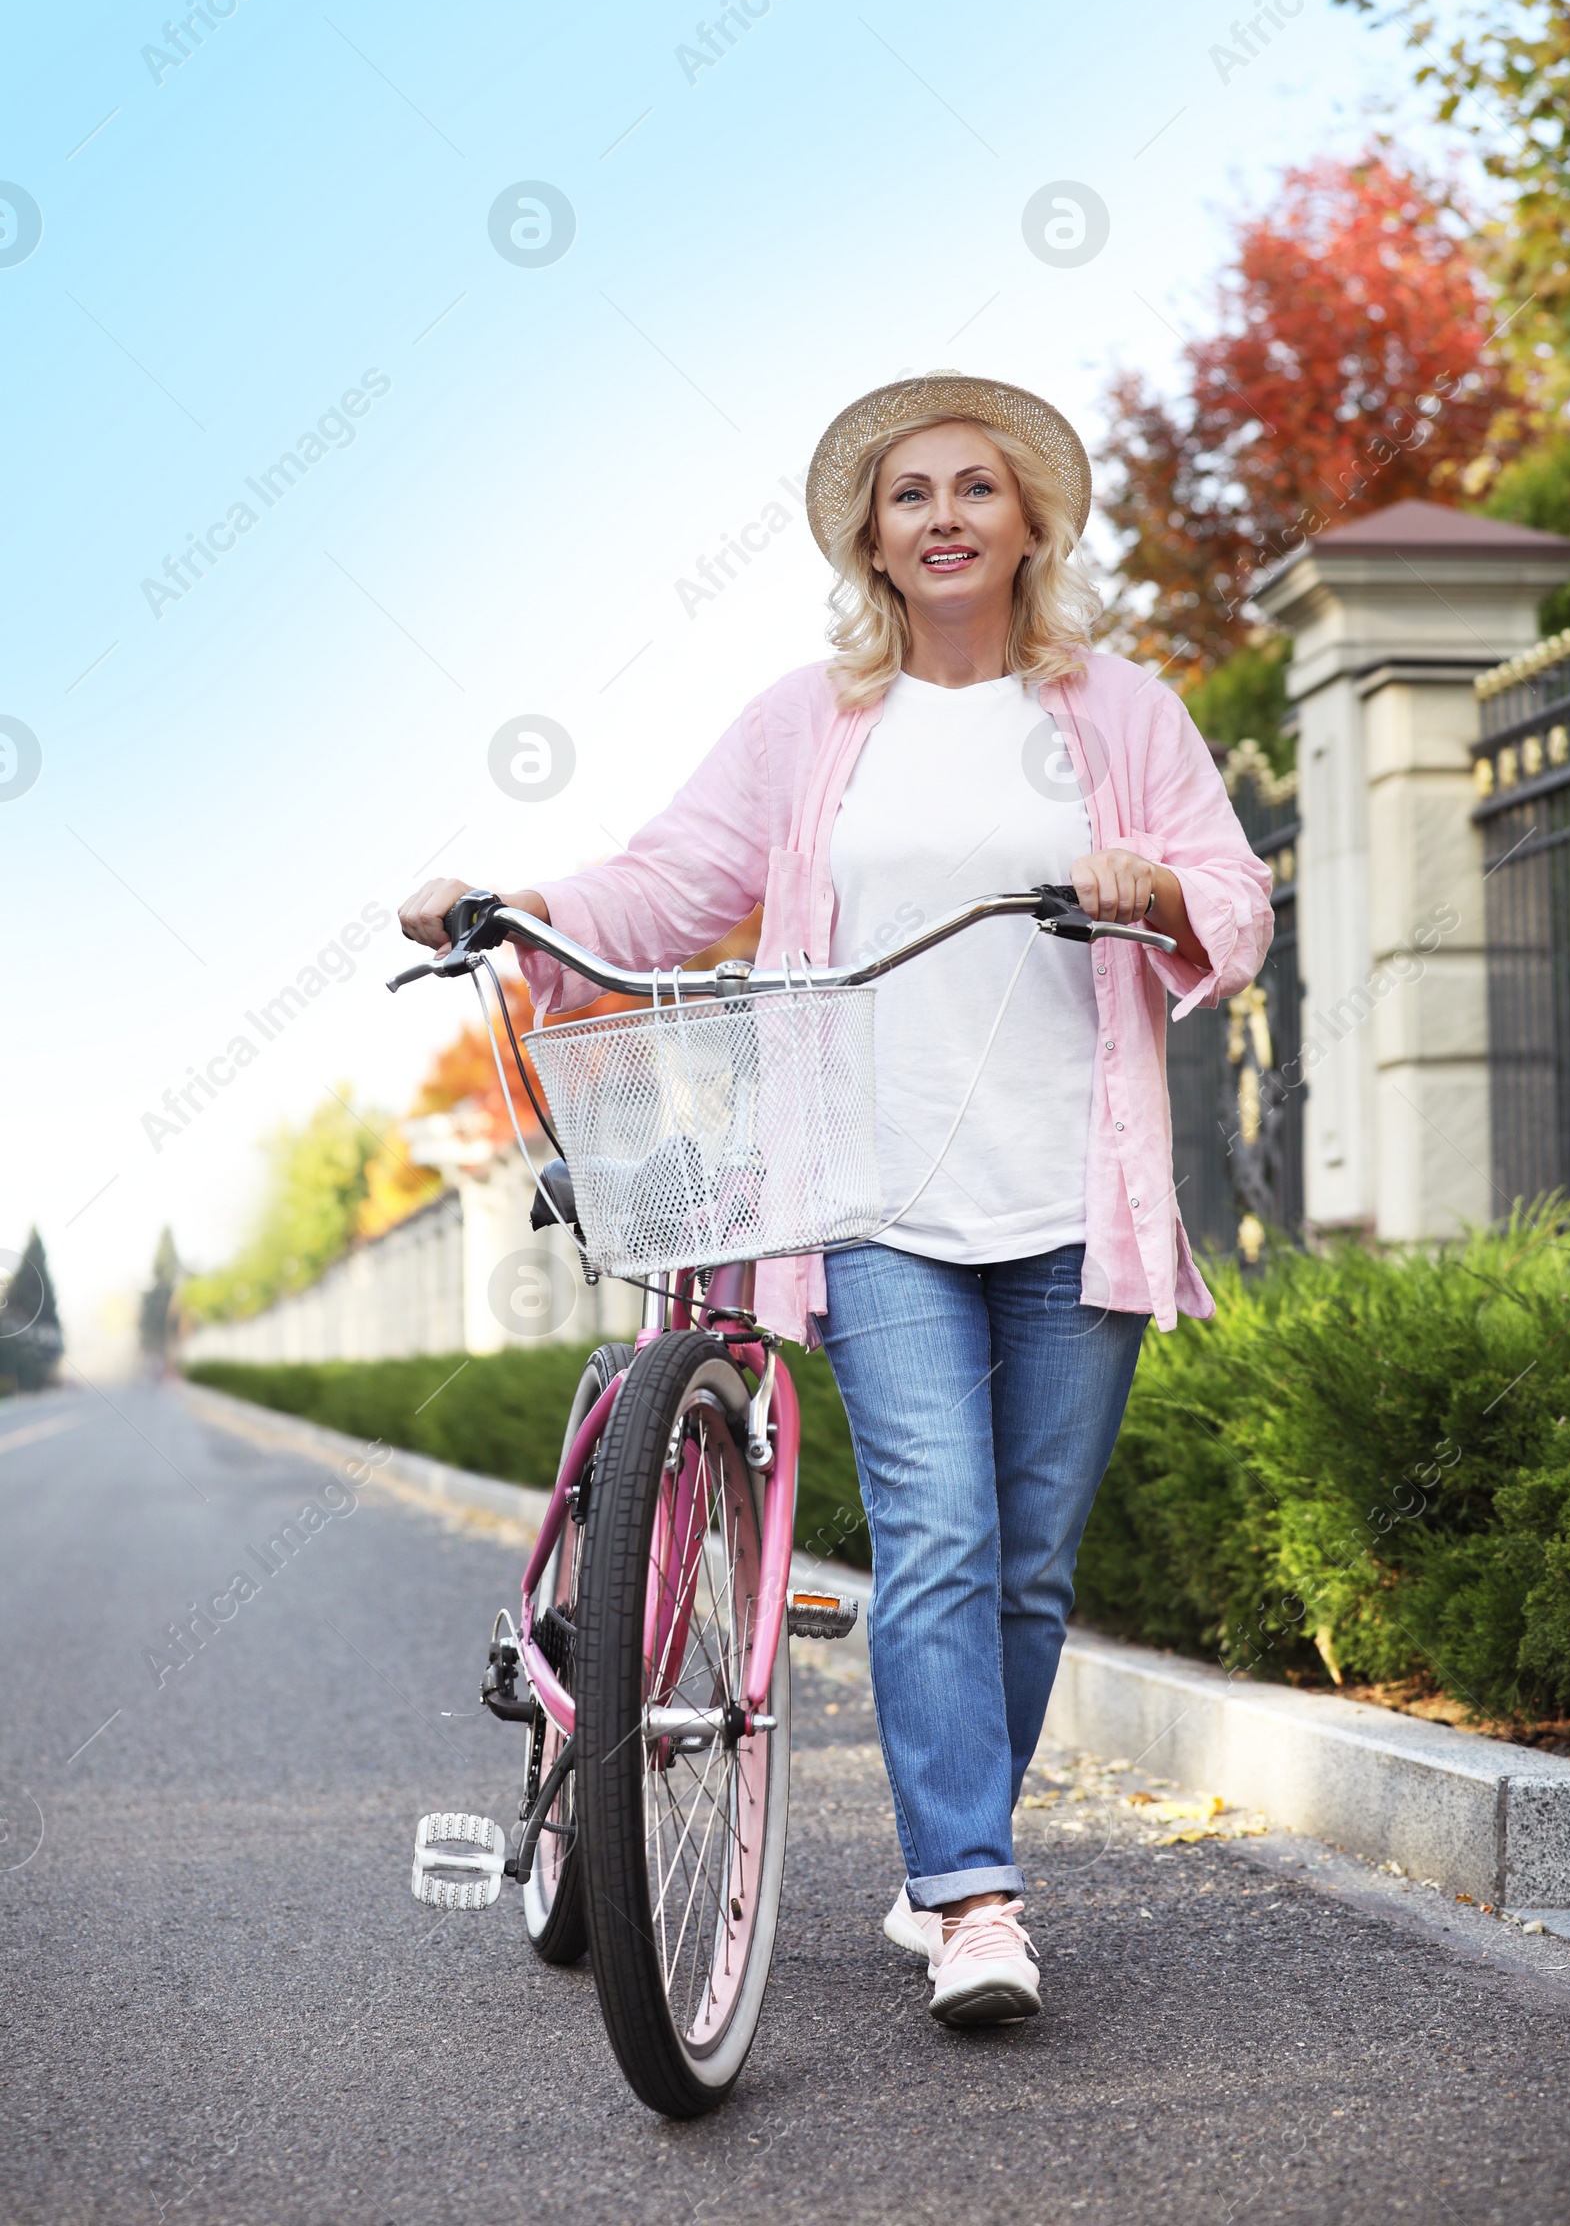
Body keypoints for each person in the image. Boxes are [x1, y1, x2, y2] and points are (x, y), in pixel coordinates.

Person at [400, 371, 1274, 2027]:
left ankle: (956, 1845)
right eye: (909, 495)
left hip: (1075, 1192)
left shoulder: (1119, 711)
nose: (944, 517)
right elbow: (670, 883)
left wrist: (1154, 881)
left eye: (976, 490)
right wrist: (509, 906)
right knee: (939, 1539)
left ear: (1030, 523)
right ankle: (971, 1897)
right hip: (866, 1193)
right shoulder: (812, 721)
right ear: (871, 537)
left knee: (1028, 1567)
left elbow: (1233, 891)